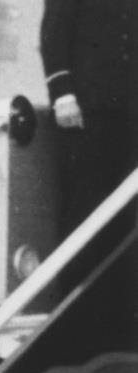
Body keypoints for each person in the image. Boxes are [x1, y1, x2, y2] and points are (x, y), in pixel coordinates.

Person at [39, 0, 136, 242]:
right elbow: (54, 33)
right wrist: (61, 93)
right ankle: (78, 268)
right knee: (84, 206)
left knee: (124, 211)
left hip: (128, 112)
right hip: (86, 111)